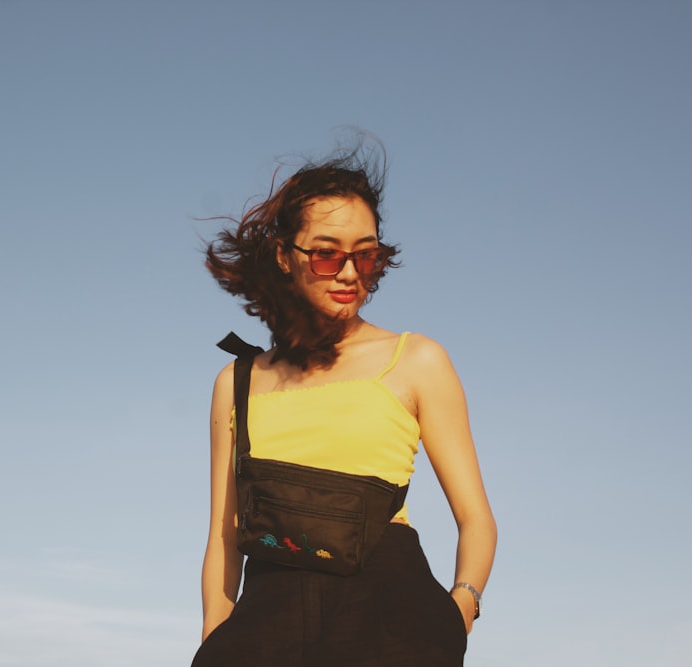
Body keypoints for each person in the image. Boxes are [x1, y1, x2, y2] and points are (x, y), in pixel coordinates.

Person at [192, 144, 497, 667]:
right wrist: (213, 642)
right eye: (328, 252)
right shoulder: (237, 380)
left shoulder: (416, 359)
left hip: (395, 624)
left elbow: (476, 519)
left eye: (367, 253)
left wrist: (459, 611)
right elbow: (224, 535)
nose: (350, 272)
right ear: (285, 255)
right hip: (267, 626)